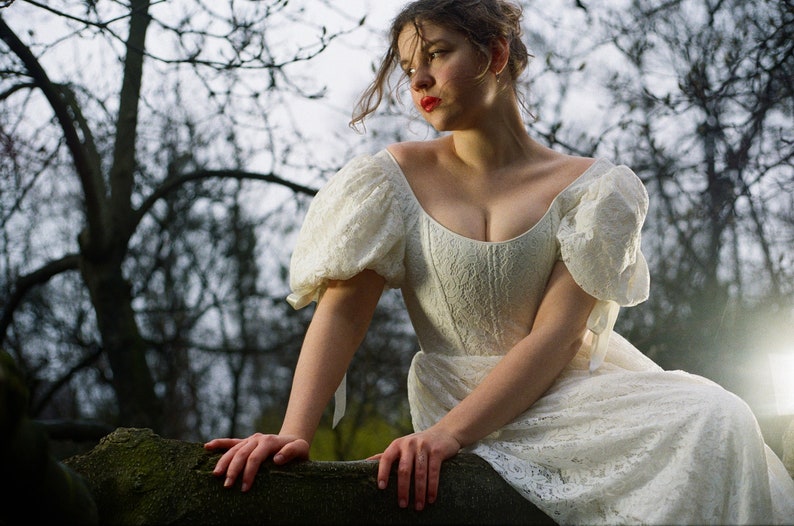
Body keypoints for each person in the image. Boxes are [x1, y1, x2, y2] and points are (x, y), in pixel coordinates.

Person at [205, 0, 794, 523]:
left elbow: (560, 337)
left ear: (496, 53)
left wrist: (442, 438)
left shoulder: (596, 189)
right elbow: (341, 315)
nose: (421, 80)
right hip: (452, 392)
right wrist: (293, 434)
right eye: (411, 68)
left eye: (437, 54)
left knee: (719, 416)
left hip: (572, 396)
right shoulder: (389, 180)